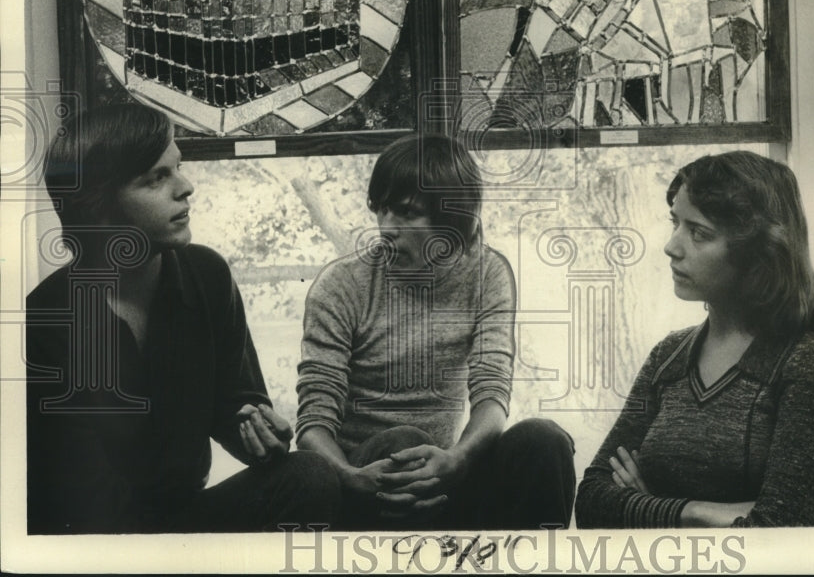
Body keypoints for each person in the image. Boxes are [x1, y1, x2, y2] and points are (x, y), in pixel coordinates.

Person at [26, 103, 339, 534]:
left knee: (310, 476)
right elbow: (78, 504)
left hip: (186, 519)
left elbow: (234, 402)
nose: (185, 187)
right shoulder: (46, 321)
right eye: (156, 178)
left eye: (178, 167)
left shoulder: (208, 275)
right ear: (97, 205)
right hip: (97, 539)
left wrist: (258, 432)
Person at [296, 132, 576, 530]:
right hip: (364, 479)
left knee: (544, 440)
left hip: (445, 474)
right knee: (403, 442)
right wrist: (351, 477)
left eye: (407, 213)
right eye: (383, 210)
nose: (387, 228)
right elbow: (313, 422)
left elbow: (491, 390)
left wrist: (459, 458)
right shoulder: (341, 285)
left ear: (452, 220)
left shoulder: (487, 274)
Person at [575, 151, 814, 528]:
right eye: (675, 223)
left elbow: (785, 527)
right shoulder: (668, 355)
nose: (672, 246)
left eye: (699, 233)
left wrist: (648, 506)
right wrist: (697, 512)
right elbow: (591, 502)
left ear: (757, 252)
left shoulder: (806, 363)